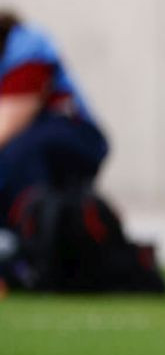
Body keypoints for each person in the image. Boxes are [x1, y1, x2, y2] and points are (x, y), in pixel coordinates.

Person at [0, 12, 108, 225]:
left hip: (76, 134)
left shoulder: (24, 46)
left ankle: (29, 234)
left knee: (18, 154)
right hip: (38, 140)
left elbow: (7, 124)